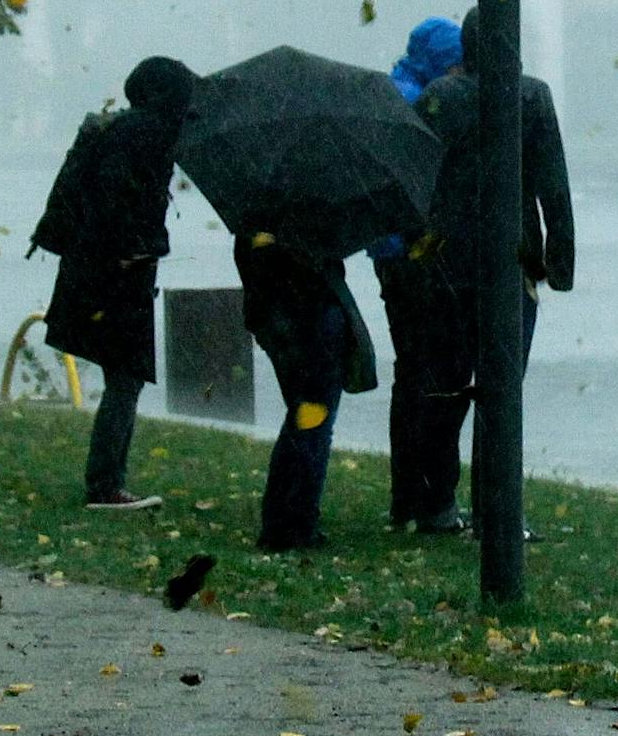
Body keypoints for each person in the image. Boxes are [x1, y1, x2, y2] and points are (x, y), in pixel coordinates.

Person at [411, 6, 575, 538]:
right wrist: (560, 263)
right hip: (512, 261)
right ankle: (496, 513)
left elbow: (419, 177)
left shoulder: (440, 96)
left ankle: (436, 504)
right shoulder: (533, 96)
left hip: (445, 260)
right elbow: (554, 187)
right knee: (502, 391)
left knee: (446, 388)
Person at [42, 56, 198, 512]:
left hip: (98, 271)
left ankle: (106, 479)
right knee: (126, 376)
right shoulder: (144, 135)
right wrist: (134, 246)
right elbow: (116, 197)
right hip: (118, 275)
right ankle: (106, 483)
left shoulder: (123, 129)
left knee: (123, 376)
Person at [364, 16, 466, 533]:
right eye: (452, 60)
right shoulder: (417, 103)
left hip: (389, 254)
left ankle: (408, 496)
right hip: (410, 256)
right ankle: (424, 498)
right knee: (430, 374)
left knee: (412, 373)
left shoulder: (395, 89)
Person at [233, 219, 379, 553]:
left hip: (278, 318)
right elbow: (319, 254)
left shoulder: (255, 213)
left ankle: (282, 520)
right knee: (312, 424)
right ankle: (295, 523)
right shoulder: (309, 206)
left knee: (301, 418)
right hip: (311, 315)